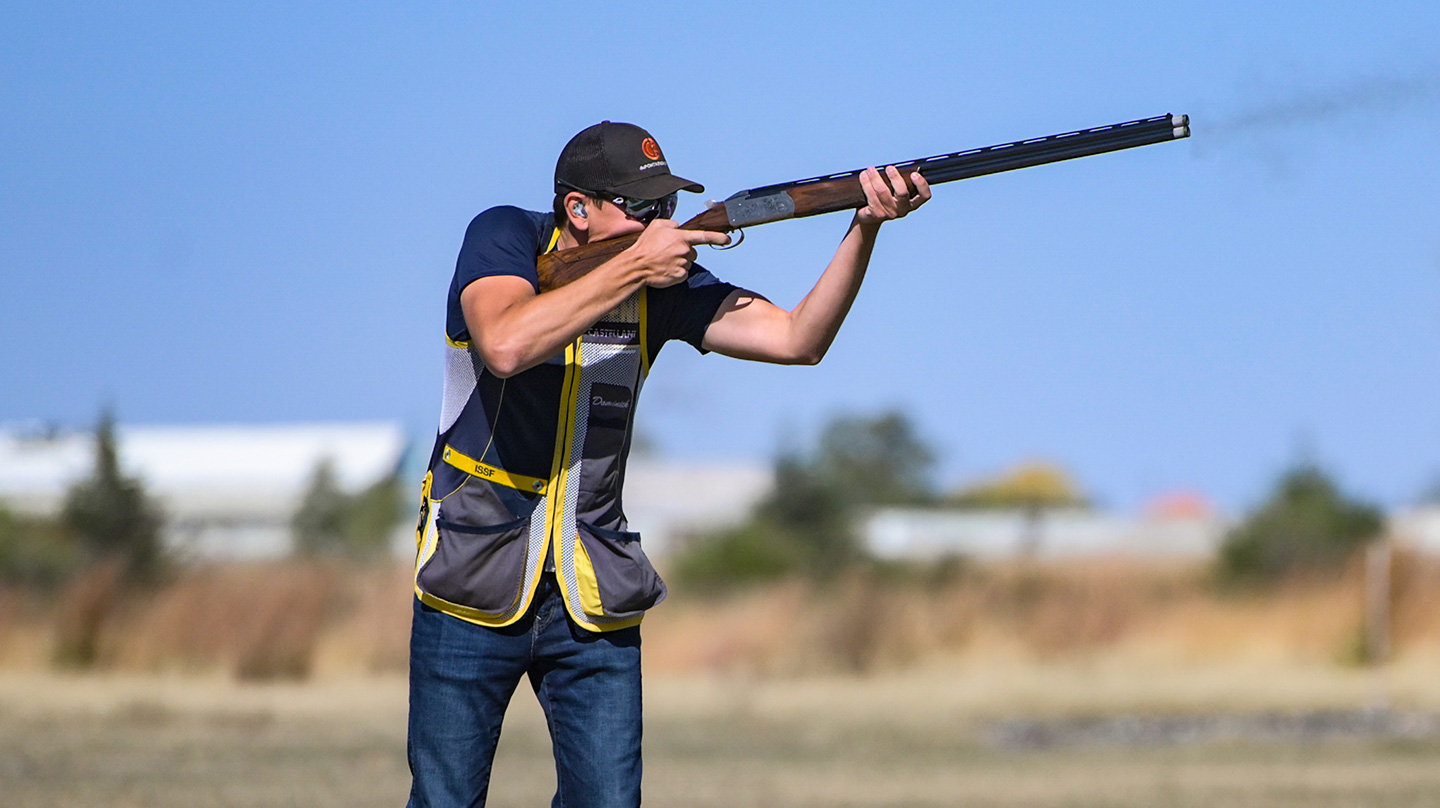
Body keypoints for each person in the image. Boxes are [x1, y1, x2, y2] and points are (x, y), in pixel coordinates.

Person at [407, 120, 930, 808]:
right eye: (642, 206)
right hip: (472, 577)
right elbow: (505, 343)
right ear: (578, 209)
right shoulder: (504, 236)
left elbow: (799, 339)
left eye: (667, 205)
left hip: (594, 593)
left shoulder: (664, 284)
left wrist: (865, 226)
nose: (662, 222)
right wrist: (637, 265)